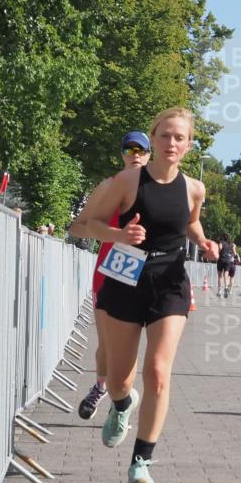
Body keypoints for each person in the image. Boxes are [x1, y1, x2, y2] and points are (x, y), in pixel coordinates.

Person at [70, 108, 219, 483]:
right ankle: (121, 404)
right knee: (119, 379)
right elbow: (82, 225)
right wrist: (119, 236)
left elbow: (188, 220)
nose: (172, 143)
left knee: (157, 370)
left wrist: (202, 241)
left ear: (188, 145)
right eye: (165, 135)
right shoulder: (128, 181)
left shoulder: (194, 188)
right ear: (153, 139)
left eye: (179, 138)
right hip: (124, 278)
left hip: (169, 283)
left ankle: (141, 463)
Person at [68, 131, 151, 420]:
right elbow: (76, 228)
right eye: (129, 149)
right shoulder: (109, 187)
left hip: (146, 275)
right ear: (121, 154)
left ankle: (121, 399)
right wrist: (115, 234)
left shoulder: (161, 190)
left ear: (150, 155)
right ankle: (107, 390)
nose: (135, 154)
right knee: (106, 343)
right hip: (109, 272)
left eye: (141, 150)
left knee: (130, 346)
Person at [216, 232, 236, 298]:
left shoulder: (221, 242)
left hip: (221, 259)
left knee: (219, 276)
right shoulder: (230, 244)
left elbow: (220, 248)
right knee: (226, 275)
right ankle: (226, 287)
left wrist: (217, 253)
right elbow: (234, 252)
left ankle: (219, 291)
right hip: (228, 261)